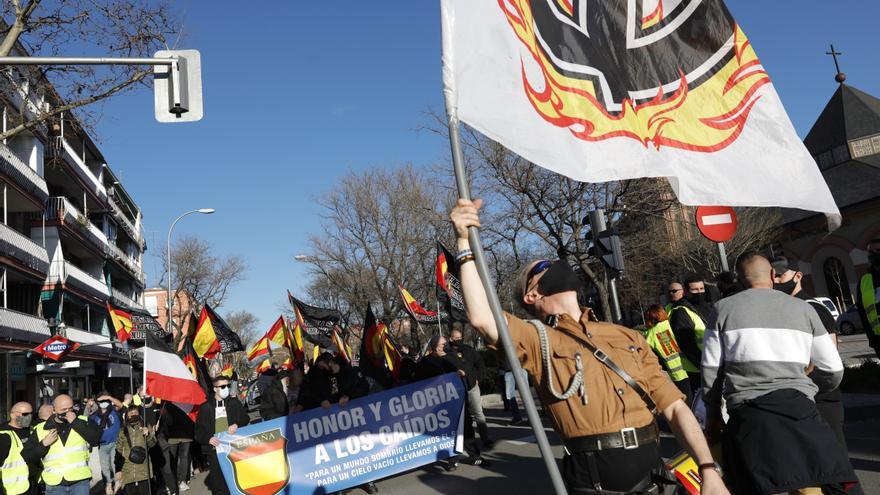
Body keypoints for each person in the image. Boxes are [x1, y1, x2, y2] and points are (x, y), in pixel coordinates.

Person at [451, 198, 726, 494]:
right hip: (594, 483)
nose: (555, 265)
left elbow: (674, 408)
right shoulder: (536, 338)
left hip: (656, 477)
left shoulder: (625, 335)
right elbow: (481, 317)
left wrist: (707, 469)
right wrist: (464, 244)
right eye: (544, 266)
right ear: (533, 295)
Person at [703, 252, 856, 494]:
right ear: (773, 275)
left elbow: (711, 370)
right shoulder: (803, 309)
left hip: (748, 417)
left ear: (739, 281)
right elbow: (833, 368)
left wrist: (713, 413)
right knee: (811, 483)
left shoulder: (722, 309)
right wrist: (811, 389)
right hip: (799, 412)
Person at [416, 335, 484, 471]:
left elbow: (468, 371)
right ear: (435, 346)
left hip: (458, 398)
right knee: (447, 430)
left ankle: (474, 455)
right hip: (440, 401)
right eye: (442, 344)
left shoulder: (453, 356)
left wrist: (464, 373)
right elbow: (421, 380)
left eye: (445, 343)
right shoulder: (427, 361)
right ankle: (452, 459)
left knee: (466, 425)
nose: (445, 346)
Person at [23, 394, 102, 495]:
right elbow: (27, 456)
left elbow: (95, 439)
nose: (68, 413)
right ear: (54, 410)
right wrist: (43, 444)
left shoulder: (83, 421)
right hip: (54, 483)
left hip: (79, 481)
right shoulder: (40, 429)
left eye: (70, 409)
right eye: (64, 409)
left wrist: (75, 422)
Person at [194, 376, 250, 495]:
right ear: (215, 389)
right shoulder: (205, 407)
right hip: (215, 451)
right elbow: (198, 432)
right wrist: (208, 439)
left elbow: (246, 418)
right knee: (219, 484)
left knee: (237, 479)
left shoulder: (234, 403)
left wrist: (237, 424)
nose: (227, 389)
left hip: (234, 448)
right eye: (223, 386)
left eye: (228, 386)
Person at [446, 329, 493, 448]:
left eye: (460, 337)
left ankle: (485, 439)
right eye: (456, 338)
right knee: (463, 418)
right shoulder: (447, 353)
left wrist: (478, 377)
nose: (459, 340)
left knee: (479, 414)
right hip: (457, 390)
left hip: (472, 387)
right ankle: (466, 443)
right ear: (451, 338)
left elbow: (479, 363)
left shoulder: (468, 349)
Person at [641, 305, 692, 406]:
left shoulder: (650, 335)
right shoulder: (671, 324)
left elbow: (653, 358)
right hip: (690, 366)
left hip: (676, 374)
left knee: (687, 402)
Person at [668, 274, 708, 393]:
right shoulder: (680, 312)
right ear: (686, 292)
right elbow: (687, 346)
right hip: (698, 371)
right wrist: (704, 366)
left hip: (711, 365)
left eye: (701, 289)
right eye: (694, 289)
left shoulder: (703, 307)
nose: (699, 292)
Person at [115, 407, 156, 495]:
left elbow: (152, 445)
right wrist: (118, 469)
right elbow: (118, 450)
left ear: (139, 414)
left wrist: (148, 435)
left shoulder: (145, 426)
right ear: (127, 415)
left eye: (135, 412)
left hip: (143, 468)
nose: (133, 413)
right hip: (127, 468)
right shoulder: (123, 430)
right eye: (131, 412)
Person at [158, 402, 195, 494]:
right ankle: (177, 481)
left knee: (178, 459)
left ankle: (180, 481)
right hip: (177, 435)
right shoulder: (185, 402)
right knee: (177, 459)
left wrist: (165, 414)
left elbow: (169, 421)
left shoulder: (167, 403)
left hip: (179, 434)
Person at [0, 402, 36, 495]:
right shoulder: (3, 434)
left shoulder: (31, 430)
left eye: (31, 413)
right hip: (12, 489)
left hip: (31, 484)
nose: (29, 417)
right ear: (12, 415)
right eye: (25, 414)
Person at [89, 393, 121, 495]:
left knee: (114, 464)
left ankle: (117, 484)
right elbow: (85, 417)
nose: (103, 403)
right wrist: (89, 406)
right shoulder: (94, 415)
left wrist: (110, 397)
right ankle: (108, 484)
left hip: (115, 443)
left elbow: (121, 405)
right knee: (105, 467)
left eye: (105, 401)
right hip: (102, 445)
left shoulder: (113, 410)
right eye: (101, 401)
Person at [857, 238, 880, 359]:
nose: (875, 254)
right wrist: (873, 340)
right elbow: (863, 313)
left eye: (878, 250)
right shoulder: (864, 281)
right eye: (871, 252)